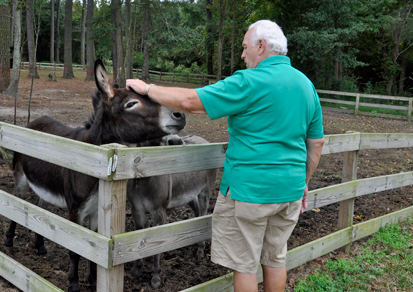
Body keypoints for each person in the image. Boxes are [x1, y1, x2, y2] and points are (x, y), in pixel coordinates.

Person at [126, 19, 325, 292]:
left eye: (245, 48)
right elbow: (317, 143)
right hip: (289, 191)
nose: (242, 55)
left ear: (261, 46)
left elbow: (189, 102)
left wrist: (147, 89)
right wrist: (303, 181)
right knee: (275, 259)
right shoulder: (305, 85)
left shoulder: (249, 81)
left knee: (243, 265)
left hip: (249, 192)